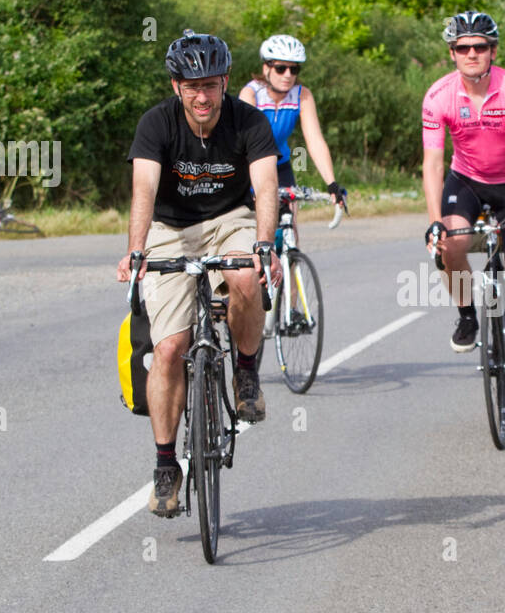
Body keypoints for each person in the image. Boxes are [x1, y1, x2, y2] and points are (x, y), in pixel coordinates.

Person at [116, 29, 282, 515]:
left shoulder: (248, 121)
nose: (203, 95)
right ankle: (166, 464)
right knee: (169, 348)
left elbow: (266, 185)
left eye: (211, 84)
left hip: (231, 220)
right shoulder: (156, 124)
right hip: (170, 228)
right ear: (176, 87)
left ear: (226, 82)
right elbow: (144, 188)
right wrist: (136, 249)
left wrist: (263, 244)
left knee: (247, 278)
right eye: (192, 86)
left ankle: (247, 373)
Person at [421, 11, 505, 405]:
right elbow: (432, 164)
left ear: (493, 50)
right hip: (467, 181)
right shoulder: (439, 96)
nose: (472, 53)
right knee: (451, 247)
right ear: (452, 53)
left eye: (480, 46)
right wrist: (434, 223)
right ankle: (467, 314)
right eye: (464, 48)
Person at [238, 35, 345, 216]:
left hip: (281, 164)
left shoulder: (302, 95)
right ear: (266, 69)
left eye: (294, 69)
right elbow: (244, 141)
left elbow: (314, 140)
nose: (288, 75)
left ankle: (289, 243)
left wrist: (332, 184)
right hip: (251, 164)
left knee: (290, 221)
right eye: (280, 68)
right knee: (257, 224)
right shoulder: (251, 94)